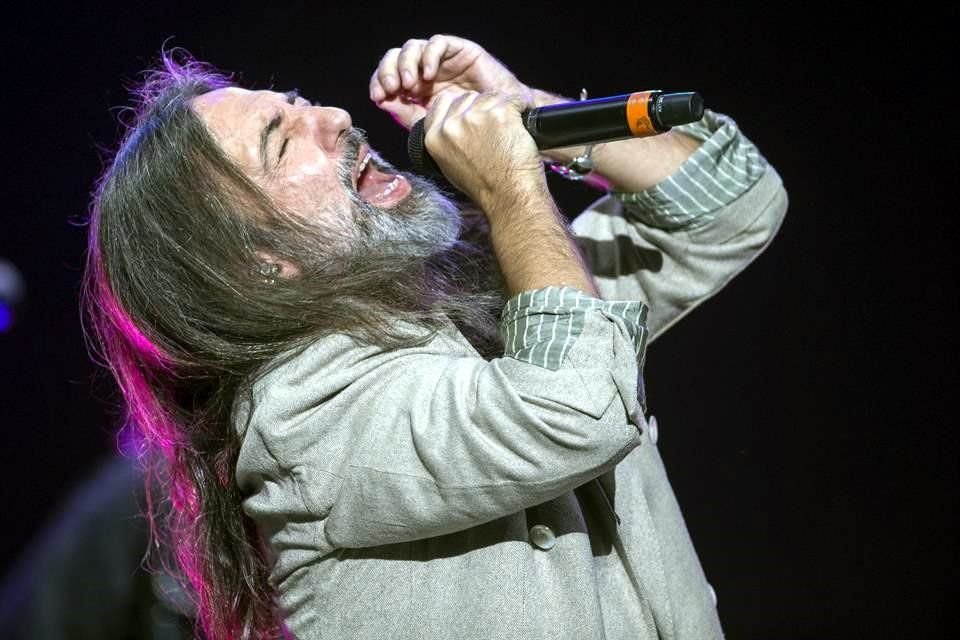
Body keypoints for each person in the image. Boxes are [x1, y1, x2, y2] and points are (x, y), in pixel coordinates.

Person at [82, 34, 787, 640]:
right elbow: (574, 407)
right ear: (257, 264)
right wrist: (510, 186)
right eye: (282, 140)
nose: (335, 117)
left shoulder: (473, 302)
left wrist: (528, 110)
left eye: (302, 105)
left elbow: (730, 205)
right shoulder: (304, 421)